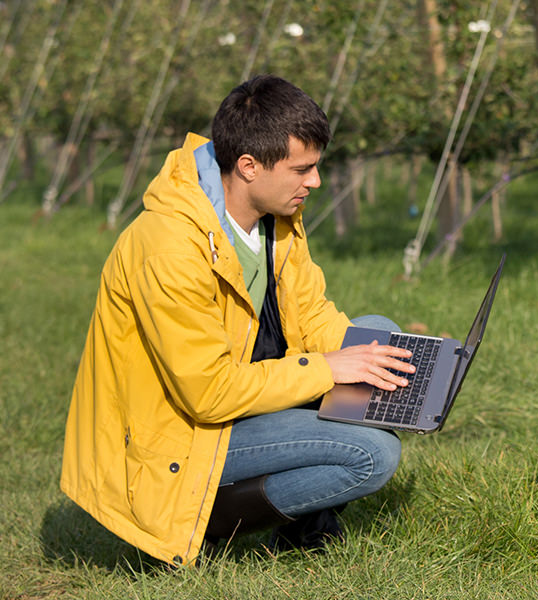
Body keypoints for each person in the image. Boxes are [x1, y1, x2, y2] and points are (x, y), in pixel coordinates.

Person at [61, 75, 416, 567]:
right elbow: (208, 394)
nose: (314, 182)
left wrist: (402, 359)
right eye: (302, 169)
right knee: (374, 454)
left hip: (240, 398)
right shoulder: (169, 248)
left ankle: (305, 529)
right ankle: (198, 526)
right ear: (248, 166)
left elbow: (311, 314)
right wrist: (329, 369)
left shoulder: (275, 218)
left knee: (379, 330)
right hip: (180, 436)